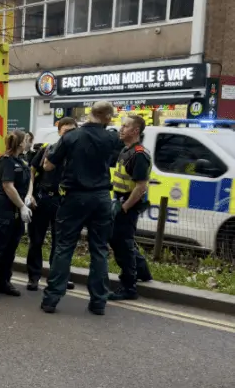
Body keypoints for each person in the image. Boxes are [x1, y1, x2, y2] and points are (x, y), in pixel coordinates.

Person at [41, 101, 121, 315]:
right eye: (110, 117)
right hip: (102, 198)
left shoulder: (71, 137)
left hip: (74, 198)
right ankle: (98, 302)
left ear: (90, 113)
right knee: (99, 250)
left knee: (64, 247)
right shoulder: (112, 137)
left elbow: (48, 165)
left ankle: (52, 299)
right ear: (106, 116)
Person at [0, 130, 33, 298]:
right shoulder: (6, 161)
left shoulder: (22, 160)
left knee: (11, 248)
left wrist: (29, 195)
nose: (28, 143)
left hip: (17, 207)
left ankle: (4, 282)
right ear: (19, 143)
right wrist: (22, 206)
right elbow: (8, 186)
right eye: (26, 140)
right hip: (5, 208)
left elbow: (30, 178)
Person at [27, 117, 78, 291]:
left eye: (73, 131)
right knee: (36, 241)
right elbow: (31, 172)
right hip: (43, 199)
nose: (69, 135)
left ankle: (58, 277)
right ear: (59, 133)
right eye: (66, 132)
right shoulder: (47, 149)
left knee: (60, 243)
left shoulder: (78, 154)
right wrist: (30, 194)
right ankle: (34, 277)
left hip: (63, 202)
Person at [108, 114, 152, 300]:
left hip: (127, 206)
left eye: (125, 126)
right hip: (120, 201)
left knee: (122, 245)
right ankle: (142, 271)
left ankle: (129, 287)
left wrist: (124, 207)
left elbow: (141, 187)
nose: (121, 129)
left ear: (135, 131)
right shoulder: (126, 150)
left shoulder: (139, 154)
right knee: (123, 241)